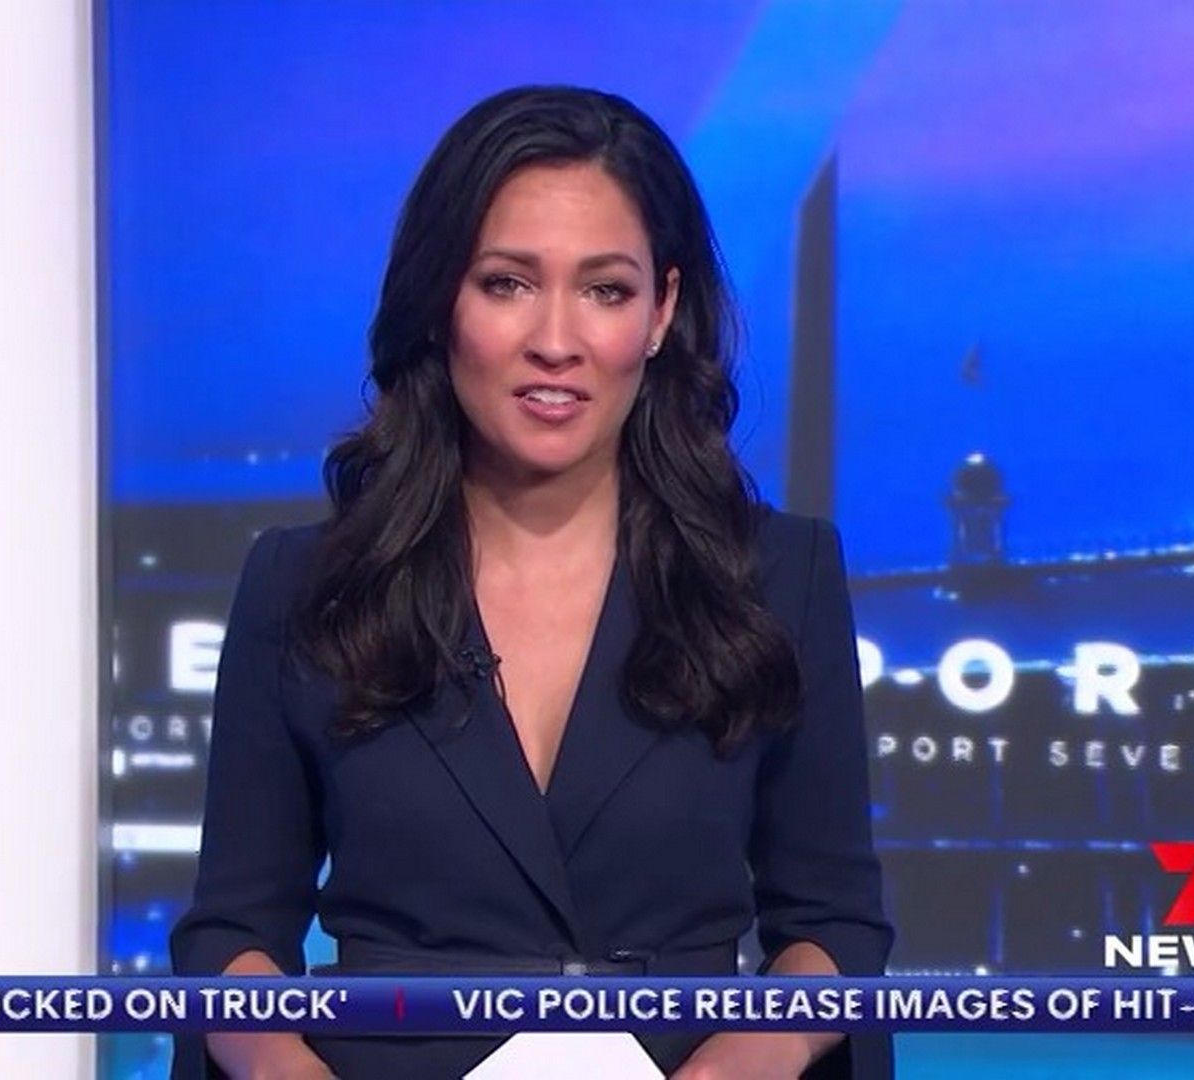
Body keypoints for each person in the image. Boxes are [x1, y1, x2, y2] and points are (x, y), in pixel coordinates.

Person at [169, 84, 893, 1079]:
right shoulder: (305, 585)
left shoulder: (778, 577)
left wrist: (745, 1061)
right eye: (508, 283)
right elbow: (232, 934)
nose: (556, 340)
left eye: (605, 291)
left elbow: (833, 927)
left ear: (661, 310)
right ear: (442, 301)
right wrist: (284, 1070)